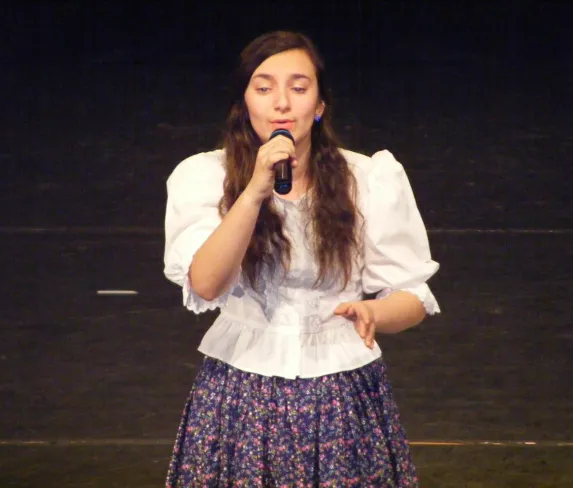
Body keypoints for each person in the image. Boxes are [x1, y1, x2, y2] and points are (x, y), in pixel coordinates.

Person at [163, 30, 439, 488]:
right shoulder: (203, 177)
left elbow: (412, 296)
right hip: (240, 390)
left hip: (341, 392)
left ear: (320, 104)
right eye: (264, 87)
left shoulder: (367, 179)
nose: (282, 103)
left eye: (298, 87)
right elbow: (206, 283)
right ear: (244, 103)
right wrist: (254, 191)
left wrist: (374, 312)